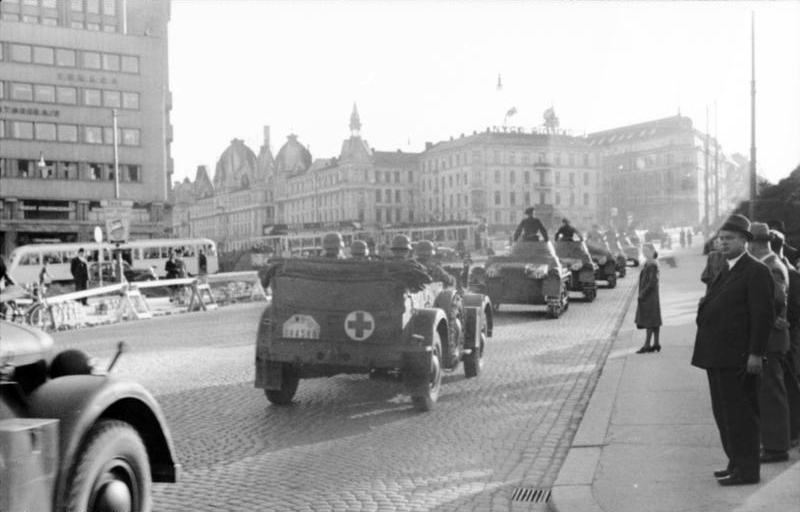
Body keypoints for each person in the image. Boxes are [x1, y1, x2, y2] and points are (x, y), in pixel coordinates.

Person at [691, 214, 774, 486]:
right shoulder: (726, 267)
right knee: (723, 414)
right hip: (717, 355)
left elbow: (763, 316)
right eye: (721, 238)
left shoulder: (756, 271)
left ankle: (748, 470)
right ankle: (735, 462)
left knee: (740, 416)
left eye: (730, 239)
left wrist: (755, 353)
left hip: (737, 356)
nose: (723, 243)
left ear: (745, 241)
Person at [748, 223, 795, 463]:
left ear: (754, 243)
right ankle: (773, 444)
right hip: (771, 338)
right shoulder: (769, 264)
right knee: (769, 393)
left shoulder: (771, 267)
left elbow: (775, 299)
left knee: (771, 395)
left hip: (771, 340)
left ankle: (776, 448)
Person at [635, 243, 662, 353]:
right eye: (643, 250)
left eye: (646, 250)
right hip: (652, 295)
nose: (644, 252)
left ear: (652, 251)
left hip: (649, 296)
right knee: (654, 319)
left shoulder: (652, 264)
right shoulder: (649, 263)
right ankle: (656, 343)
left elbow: (652, 282)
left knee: (649, 320)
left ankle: (647, 344)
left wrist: (642, 294)